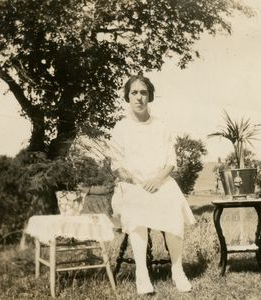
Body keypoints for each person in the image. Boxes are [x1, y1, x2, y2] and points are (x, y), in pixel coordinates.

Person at [109, 74, 196, 295]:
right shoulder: (120, 128)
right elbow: (117, 166)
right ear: (127, 96)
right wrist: (139, 182)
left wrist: (157, 180)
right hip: (132, 185)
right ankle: (142, 274)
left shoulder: (161, 126)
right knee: (137, 208)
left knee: (173, 202)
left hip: (161, 181)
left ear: (150, 96)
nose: (139, 98)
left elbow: (171, 162)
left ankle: (178, 270)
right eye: (134, 93)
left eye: (143, 93)